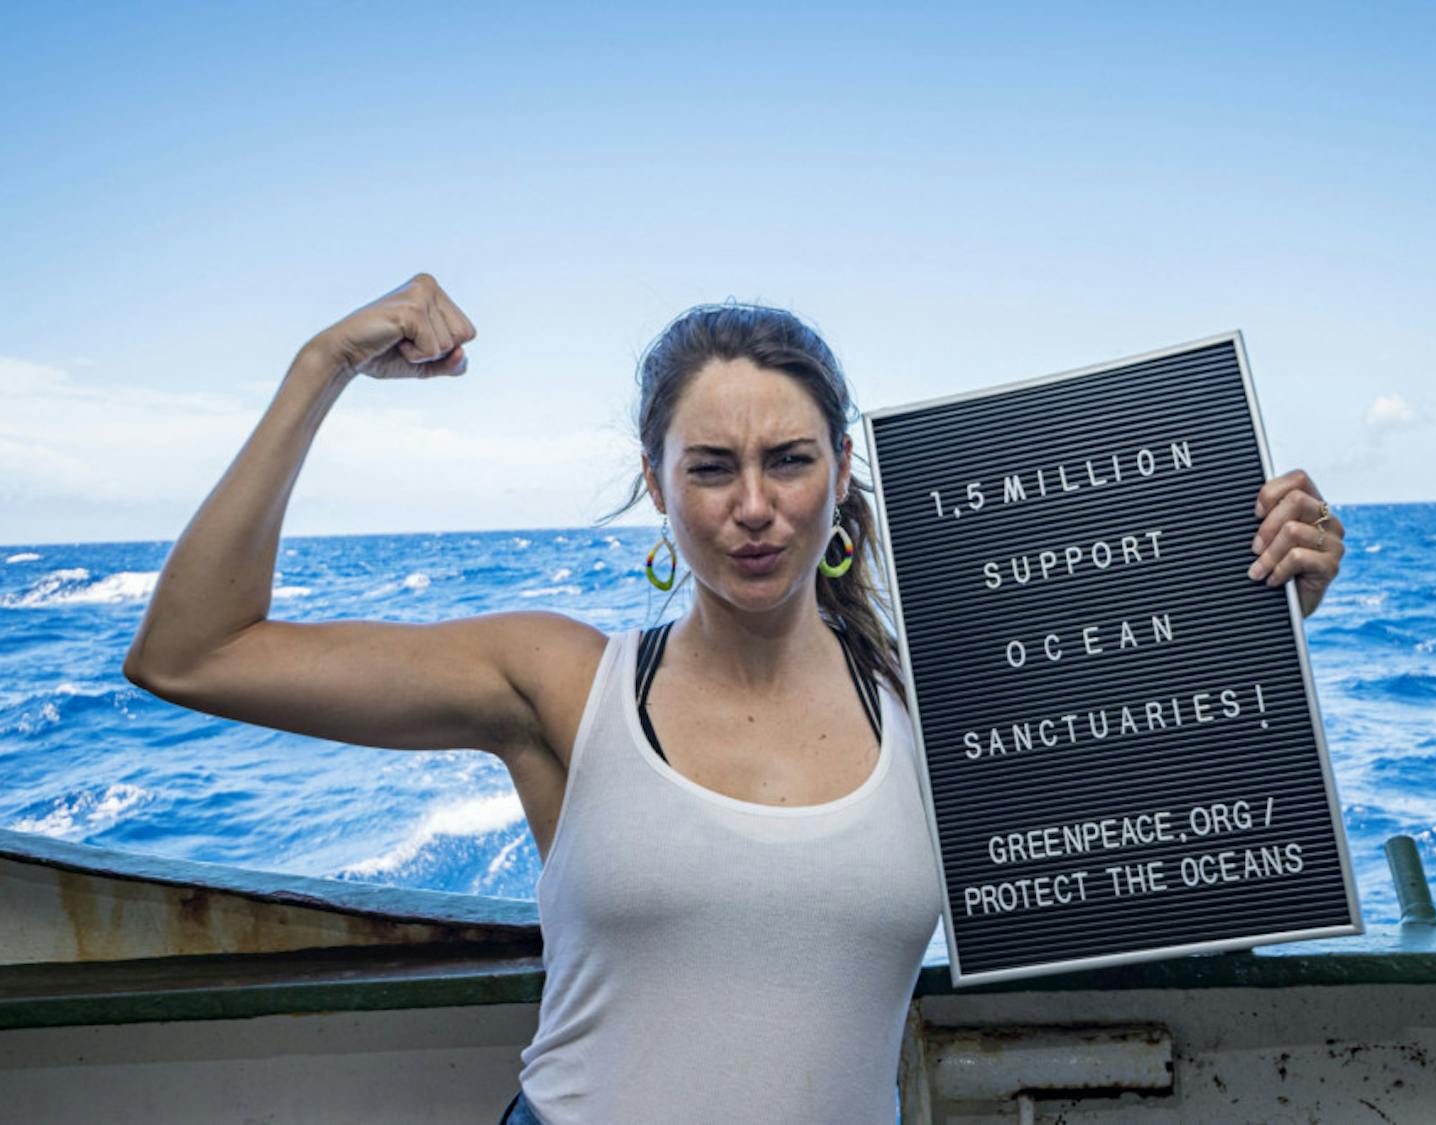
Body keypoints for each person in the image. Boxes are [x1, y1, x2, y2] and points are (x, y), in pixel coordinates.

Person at [122, 273, 1348, 1124]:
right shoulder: (562, 683)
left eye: (789, 460)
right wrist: (320, 364)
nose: (752, 505)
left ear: (842, 471)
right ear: (655, 484)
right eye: (710, 468)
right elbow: (194, 652)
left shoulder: (950, 693)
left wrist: (1264, 605)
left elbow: (1161, 813)